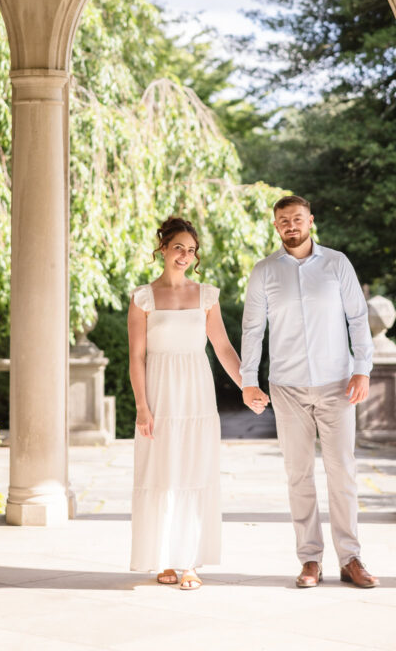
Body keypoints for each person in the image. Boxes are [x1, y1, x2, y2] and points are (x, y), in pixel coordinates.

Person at [241, 195, 379, 589]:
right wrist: (248, 379)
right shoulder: (264, 271)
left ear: (311, 221)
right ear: (275, 226)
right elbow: (253, 329)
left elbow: (357, 317)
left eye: (297, 219)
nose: (291, 226)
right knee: (298, 475)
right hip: (286, 387)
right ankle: (310, 560)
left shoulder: (337, 264)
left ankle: (351, 559)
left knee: (342, 472)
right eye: (283, 220)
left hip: (337, 383)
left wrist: (362, 369)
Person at [128, 216, 246, 590]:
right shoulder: (142, 298)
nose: (185, 255)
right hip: (159, 394)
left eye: (191, 250)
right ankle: (163, 558)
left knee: (195, 474)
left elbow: (224, 348)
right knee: (162, 474)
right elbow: (136, 357)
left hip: (196, 394)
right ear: (163, 248)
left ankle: (190, 562)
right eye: (178, 247)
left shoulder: (206, 296)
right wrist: (142, 407)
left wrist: (248, 386)